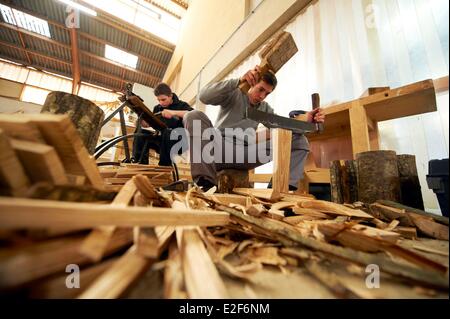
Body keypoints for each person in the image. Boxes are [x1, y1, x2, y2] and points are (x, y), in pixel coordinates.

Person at [182, 65, 325, 191]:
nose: (262, 96)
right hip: (218, 149)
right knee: (193, 115)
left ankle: (278, 190)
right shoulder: (234, 93)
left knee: (300, 141)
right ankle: (205, 184)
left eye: (267, 93)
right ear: (252, 83)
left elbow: (285, 127)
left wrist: (307, 120)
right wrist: (238, 81)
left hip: (245, 154)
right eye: (260, 89)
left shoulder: (264, 109)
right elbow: (204, 96)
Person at [132, 83, 193, 166]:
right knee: (140, 133)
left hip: (179, 143)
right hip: (162, 142)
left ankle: (164, 166)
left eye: (163, 99)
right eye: (158, 100)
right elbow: (152, 124)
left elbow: (193, 114)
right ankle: (139, 164)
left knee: (168, 132)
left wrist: (173, 112)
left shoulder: (182, 105)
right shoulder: (157, 108)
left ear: (170, 96)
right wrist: (144, 124)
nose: (161, 102)